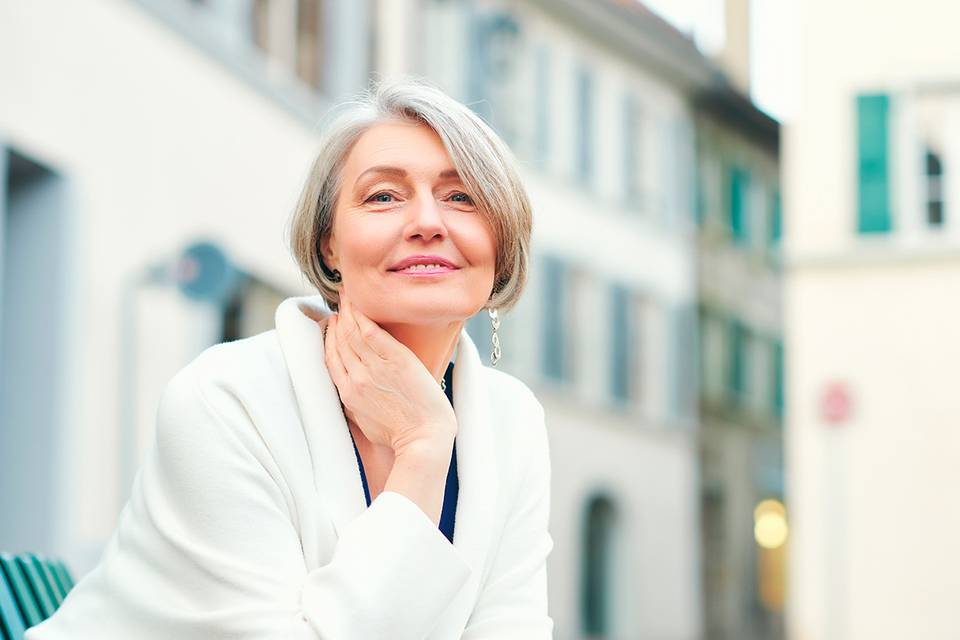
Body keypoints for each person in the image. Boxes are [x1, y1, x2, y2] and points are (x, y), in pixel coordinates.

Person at [25, 77, 553, 639]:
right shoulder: (225, 400)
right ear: (329, 244)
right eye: (383, 196)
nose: (427, 222)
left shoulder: (512, 420)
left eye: (462, 197)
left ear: (500, 246)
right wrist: (423, 447)